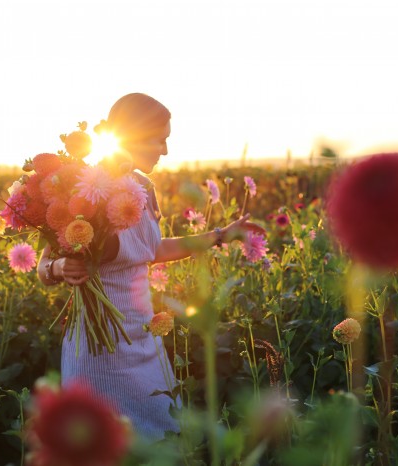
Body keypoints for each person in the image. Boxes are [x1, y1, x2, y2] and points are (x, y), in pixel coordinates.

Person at [37, 92, 263, 440]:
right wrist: (59, 268)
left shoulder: (144, 188)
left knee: (162, 434)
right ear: (138, 135)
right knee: (101, 444)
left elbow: (153, 249)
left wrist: (223, 234)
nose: (166, 150)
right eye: (161, 139)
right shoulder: (78, 185)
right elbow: (43, 266)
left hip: (143, 338)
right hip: (97, 349)